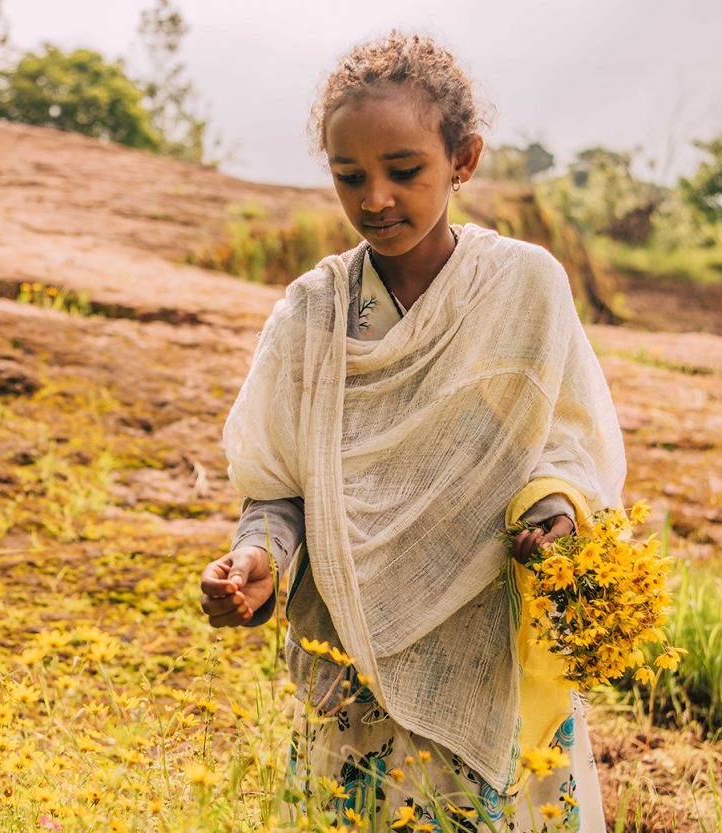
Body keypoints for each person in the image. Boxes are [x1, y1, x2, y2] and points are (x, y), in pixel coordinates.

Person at [201, 33, 625, 831]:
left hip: (483, 656)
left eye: (405, 171)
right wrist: (258, 559)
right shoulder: (312, 315)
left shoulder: (524, 288)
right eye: (348, 176)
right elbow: (282, 485)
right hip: (353, 672)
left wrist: (559, 517)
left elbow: (567, 447)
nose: (375, 200)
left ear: (463, 159)